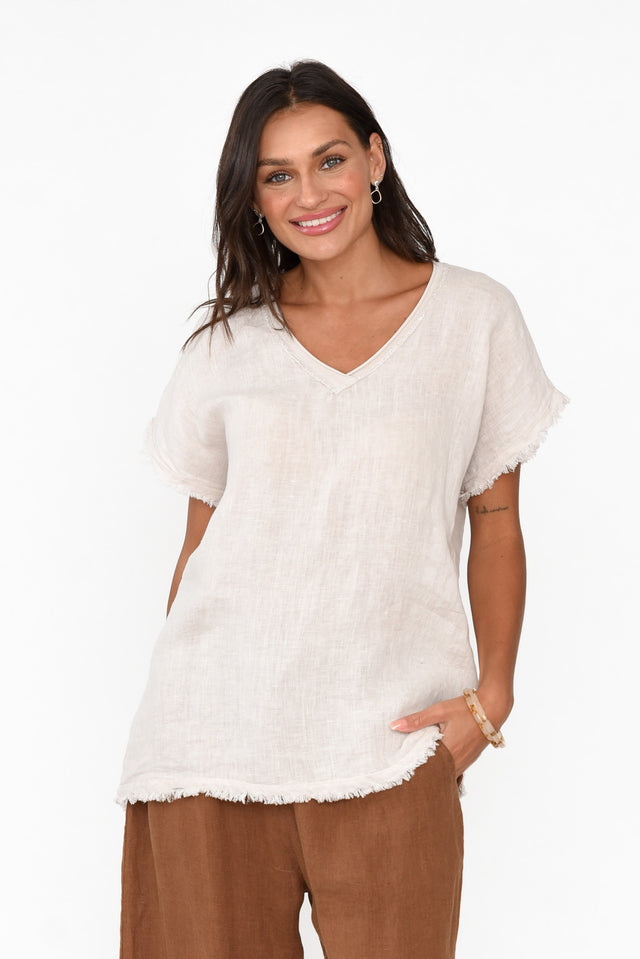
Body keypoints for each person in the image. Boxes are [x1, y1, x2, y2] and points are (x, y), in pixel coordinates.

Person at [116, 60, 567, 958]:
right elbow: (201, 545)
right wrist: (182, 701)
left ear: (375, 159)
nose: (309, 194)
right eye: (277, 175)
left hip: (390, 741)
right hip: (209, 738)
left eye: (329, 160)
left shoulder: (473, 318)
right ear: (253, 198)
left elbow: (497, 519)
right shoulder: (228, 343)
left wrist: (492, 697)